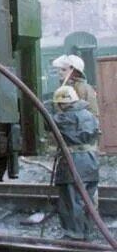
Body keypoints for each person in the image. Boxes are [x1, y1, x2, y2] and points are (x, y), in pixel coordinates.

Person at [48, 85, 100, 241]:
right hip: (91, 162)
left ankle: (73, 234)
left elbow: (47, 122)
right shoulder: (90, 115)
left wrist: (48, 107)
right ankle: (87, 232)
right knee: (88, 200)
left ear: (62, 103)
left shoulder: (65, 118)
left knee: (71, 200)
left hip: (73, 163)